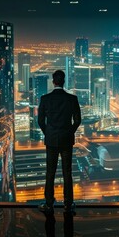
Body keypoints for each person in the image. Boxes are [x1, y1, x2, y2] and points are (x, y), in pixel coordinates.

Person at [37, 70, 81, 215]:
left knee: (50, 172)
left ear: (53, 81)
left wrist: (48, 133)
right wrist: (69, 132)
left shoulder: (45, 99)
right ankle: (68, 204)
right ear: (63, 82)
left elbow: (40, 121)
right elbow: (78, 120)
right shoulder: (72, 99)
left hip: (51, 140)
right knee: (67, 172)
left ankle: (49, 204)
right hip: (66, 140)